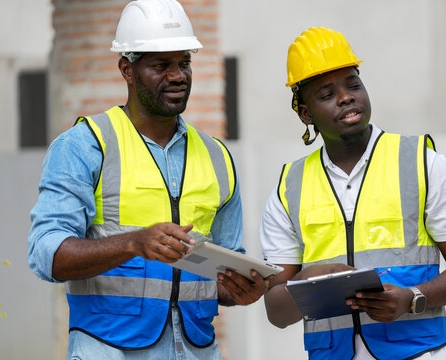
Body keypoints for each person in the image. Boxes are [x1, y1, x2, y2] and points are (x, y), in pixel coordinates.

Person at [27, 0, 268, 358]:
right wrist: (133, 243)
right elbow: (46, 255)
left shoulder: (217, 157)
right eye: (161, 65)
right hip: (108, 348)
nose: (178, 75)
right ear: (128, 69)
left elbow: (223, 274)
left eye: (184, 62)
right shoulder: (85, 146)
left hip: (197, 350)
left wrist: (240, 290)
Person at [260, 27, 446, 360]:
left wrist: (412, 298)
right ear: (306, 114)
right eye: (326, 93)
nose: (346, 97)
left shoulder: (422, 163)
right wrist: (306, 279)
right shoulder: (288, 188)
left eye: (353, 84)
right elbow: (276, 313)